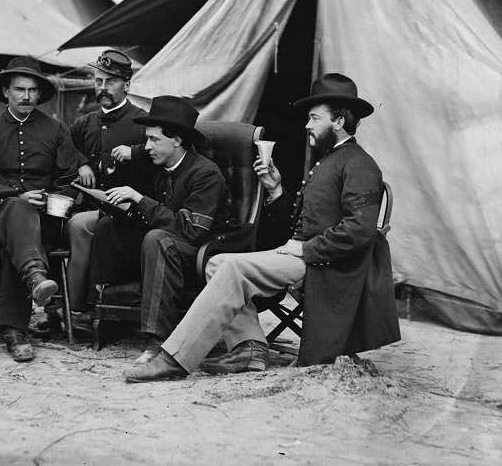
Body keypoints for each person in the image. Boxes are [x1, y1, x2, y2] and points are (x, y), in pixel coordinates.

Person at [124, 73, 400, 383]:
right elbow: (297, 225)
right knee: (218, 262)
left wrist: (305, 249)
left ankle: (175, 358)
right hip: (306, 256)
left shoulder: (359, 164)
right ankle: (249, 347)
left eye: (314, 118)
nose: (307, 125)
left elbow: (359, 232)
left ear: (338, 121)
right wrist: (276, 191)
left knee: (232, 269)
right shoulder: (329, 160)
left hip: (330, 265)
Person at [0, 56, 81, 362]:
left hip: (47, 220)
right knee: (17, 210)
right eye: (20, 89)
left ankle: (14, 331)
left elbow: (69, 182)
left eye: (32, 90)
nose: (27, 96)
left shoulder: (56, 130)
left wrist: (49, 202)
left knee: (19, 239)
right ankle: (35, 279)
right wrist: (18, 195)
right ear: (6, 91)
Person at [99, 95, 229, 364]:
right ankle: (96, 314)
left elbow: (191, 230)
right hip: (163, 243)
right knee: (106, 226)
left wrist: (138, 199)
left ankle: (157, 341)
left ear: (178, 140)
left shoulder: (206, 173)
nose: (147, 146)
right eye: (147, 139)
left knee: (157, 239)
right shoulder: (158, 164)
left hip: (201, 250)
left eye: (154, 140)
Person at [66, 50, 150, 319]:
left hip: (130, 211)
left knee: (80, 227)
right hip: (90, 205)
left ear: (126, 84)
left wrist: (135, 152)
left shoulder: (143, 122)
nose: (103, 88)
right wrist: (81, 163)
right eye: (98, 81)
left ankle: (76, 308)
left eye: (110, 82)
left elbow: (162, 156)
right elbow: (65, 150)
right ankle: (64, 305)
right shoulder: (84, 123)